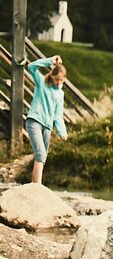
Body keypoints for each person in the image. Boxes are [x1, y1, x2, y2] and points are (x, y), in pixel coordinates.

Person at [24, 55, 68, 184]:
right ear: (51, 76)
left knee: (42, 158)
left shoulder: (60, 94)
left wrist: (62, 131)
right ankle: (37, 186)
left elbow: (58, 114)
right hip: (35, 122)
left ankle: (36, 185)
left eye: (61, 80)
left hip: (47, 127)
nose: (58, 82)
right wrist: (50, 61)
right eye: (56, 79)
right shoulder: (41, 83)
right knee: (40, 154)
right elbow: (31, 67)